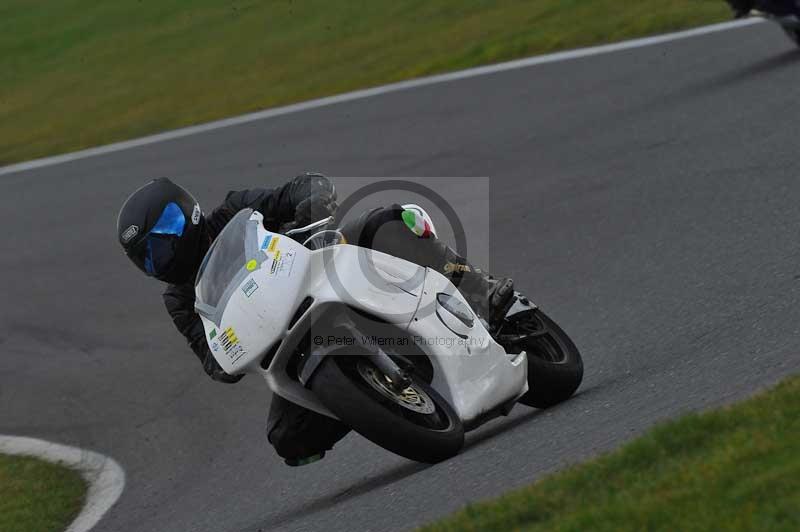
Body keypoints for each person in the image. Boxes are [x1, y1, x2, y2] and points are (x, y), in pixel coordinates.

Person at [117, 174, 514, 466]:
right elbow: (210, 358)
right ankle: (376, 403)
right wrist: (223, 355)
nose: (162, 253)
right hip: (288, 340)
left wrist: (310, 222)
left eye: (164, 234)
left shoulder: (235, 209)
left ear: (188, 212)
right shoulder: (180, 299)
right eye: (148, 254)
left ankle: (482, 292)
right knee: (287, 439)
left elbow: (306, 188)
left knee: (386, 223)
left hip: (329, 274)